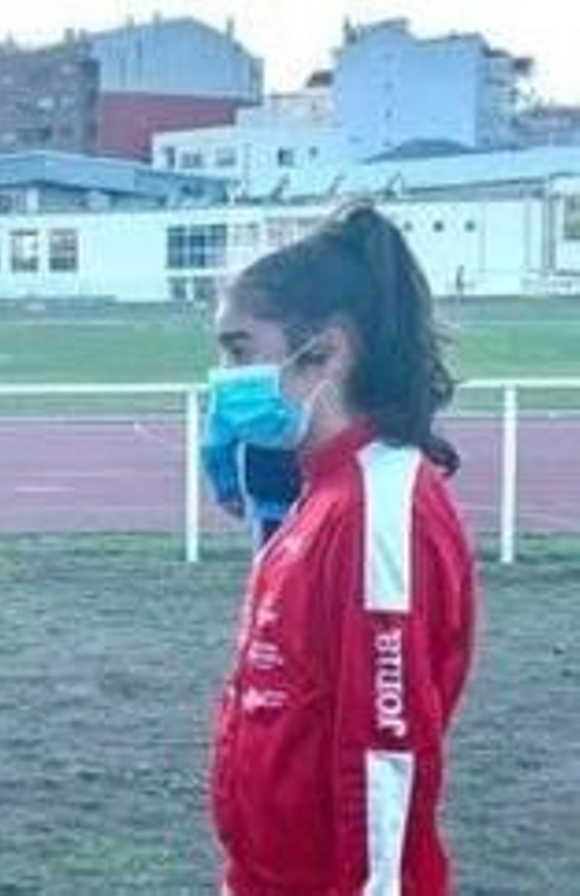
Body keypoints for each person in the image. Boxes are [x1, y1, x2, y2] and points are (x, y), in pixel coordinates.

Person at [206, 203, 476, 896]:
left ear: (326, 351)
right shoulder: (321, 493)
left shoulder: (378, 511)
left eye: (239, 350)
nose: (222, 377)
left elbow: (387, 748)